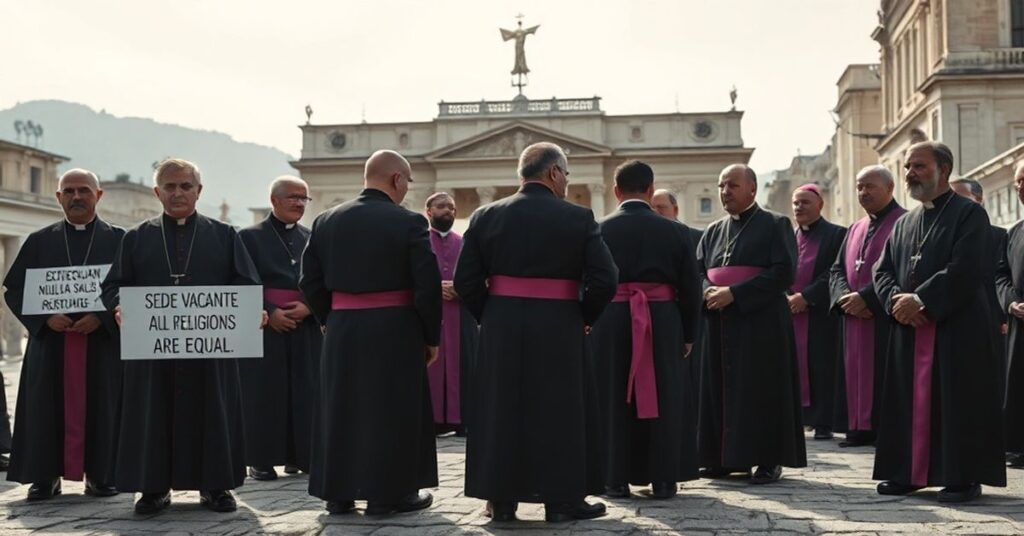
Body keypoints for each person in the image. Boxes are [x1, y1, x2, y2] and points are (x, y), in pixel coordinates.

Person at [455, 142, 618, 522]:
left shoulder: (484, 215)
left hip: (500, 325)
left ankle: (501, 501)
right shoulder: (578, 218)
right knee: (559, 412)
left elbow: (466, 280)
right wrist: (584, 315)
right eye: (567, 174)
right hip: (560, 325)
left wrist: (490, 314)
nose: (566, 182)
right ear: (553, 173)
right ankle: (562, 502)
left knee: (499, 410)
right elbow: (606, 278)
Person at [101, 158, 262, 514]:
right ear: (157, 191)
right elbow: (113, 285)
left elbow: (246, 283)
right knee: (153, 415)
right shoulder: (136, 237)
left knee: (212, 413)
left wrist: (249, 310)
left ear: (198, 191)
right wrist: (117, 306)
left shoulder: (224, 235)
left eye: (185, 186)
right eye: (170, 187)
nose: (178, 193)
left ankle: (216, 487)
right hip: (153, 350)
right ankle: (154, 489)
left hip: (210, 351)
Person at [301, 150, 440, 516]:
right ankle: (389, 495)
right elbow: (426, 285)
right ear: (397, 179)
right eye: (407, 181)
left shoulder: (326, 220)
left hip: (343, 327)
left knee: (342, 409)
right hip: (395, 328)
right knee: (392, 410)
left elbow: (309, 281)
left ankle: (338, 494)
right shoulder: (409, 223)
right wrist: (431, 336)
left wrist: (329, 319)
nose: (407, 189)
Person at [873, 141, 1005, 502]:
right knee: (908, 402)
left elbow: (968, 267)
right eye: (908, 167)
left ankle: (962, 476)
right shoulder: (904, 223)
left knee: (957, 403)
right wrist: (896, 301)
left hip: (955, 329)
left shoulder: (969, 215)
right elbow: (881, 270)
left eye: (919, 166)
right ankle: (909, 473)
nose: (910, 173)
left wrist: (921, 300)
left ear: (943, 170)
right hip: (909, 330)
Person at [2, 169, 124, 500]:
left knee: (104, 405)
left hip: (101, 344)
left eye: (84, 190)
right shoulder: (40, 240)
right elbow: (14, 289)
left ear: (98, 196)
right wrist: (43, 317)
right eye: (68, 191)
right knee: (45, 407)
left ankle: (102, 475)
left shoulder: (120, 240)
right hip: (51, 344)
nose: (76, 197)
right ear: (58, 197)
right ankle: (45, 476)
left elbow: (133, 287)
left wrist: (101, 318)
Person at [591, 161, 701, 500]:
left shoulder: (597, 229)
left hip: (610, 319)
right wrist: (688, 334)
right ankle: (664, 479)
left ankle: (614, 479)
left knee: (612, 397)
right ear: (651, 189)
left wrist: (589, 320)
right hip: (663, 318)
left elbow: (590, 282)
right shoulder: (677, 231)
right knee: (665, 396)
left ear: (615, 191)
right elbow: (691, 288)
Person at [697, 164, 806, 484]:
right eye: (721, 185)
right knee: (722, 390)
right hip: (719, 321)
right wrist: (708, 292)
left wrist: (735, 294)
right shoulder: (712, 230)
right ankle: (724, 458)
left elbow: (783, 273)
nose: (724, 191)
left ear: (752, 189)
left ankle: (767, 459)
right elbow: (699, 270)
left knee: (761, 390)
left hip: (761, 323)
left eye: (732, 185)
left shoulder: (776, 224)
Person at [237, 176, 321, 481]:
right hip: (264, 325)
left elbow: (321, 278)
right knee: (265, 393)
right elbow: (241, 280)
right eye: (292, 197)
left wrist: (309, 306)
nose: (299, 203)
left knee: (305, 391)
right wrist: (269, 312)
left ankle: (300, 456)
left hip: (304, 323)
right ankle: (261, 458)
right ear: (274, 200)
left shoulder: (312, 236)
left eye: (304, 198)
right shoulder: (248, 237)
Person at [829, 166, 905, 448]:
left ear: (889, 188)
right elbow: (836, 270)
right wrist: (843, 298)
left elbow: (902, 270)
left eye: (870, 186)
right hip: (852, 317)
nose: (863, 193)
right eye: (860, 187)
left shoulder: (904, 223)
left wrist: (867, 298)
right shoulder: (855, 228)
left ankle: (881, 427)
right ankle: (857, 427)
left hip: (884, 315)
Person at [788, 184, 846, 440]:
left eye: (805, 202)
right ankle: (799, 418)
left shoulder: (836, 235)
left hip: (819, 314)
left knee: (820, 366)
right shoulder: (788, 236)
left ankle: (823, 421)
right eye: (796, 203)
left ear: (820, 205)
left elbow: (834, 272)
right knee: (794, 366)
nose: (799, 207)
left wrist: (807, 297)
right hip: (790, 310)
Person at [423, 192, 478, 437]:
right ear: (429, 211)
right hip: (428, 315)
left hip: (461, 314)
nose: (448, 211)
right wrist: (435, 288)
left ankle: (461, 419)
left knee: (463, 364)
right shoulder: (419, 241)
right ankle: (431, 420)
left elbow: (477, 276)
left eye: (452, 207)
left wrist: (461, 289)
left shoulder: (465, 242)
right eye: (441, 206)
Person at [652, 188, 707, 387]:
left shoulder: (696, 237)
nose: (656, 212)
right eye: (652, 207)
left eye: (661, 207)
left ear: (674, 209)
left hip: (690, 315)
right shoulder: (648, 237)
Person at [995, 161, 1024, 468]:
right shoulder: (1014, 232)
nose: (1020, 187)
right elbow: (1000, 275)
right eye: (1017, 182)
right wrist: (1010, 302)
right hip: (1019, 322)